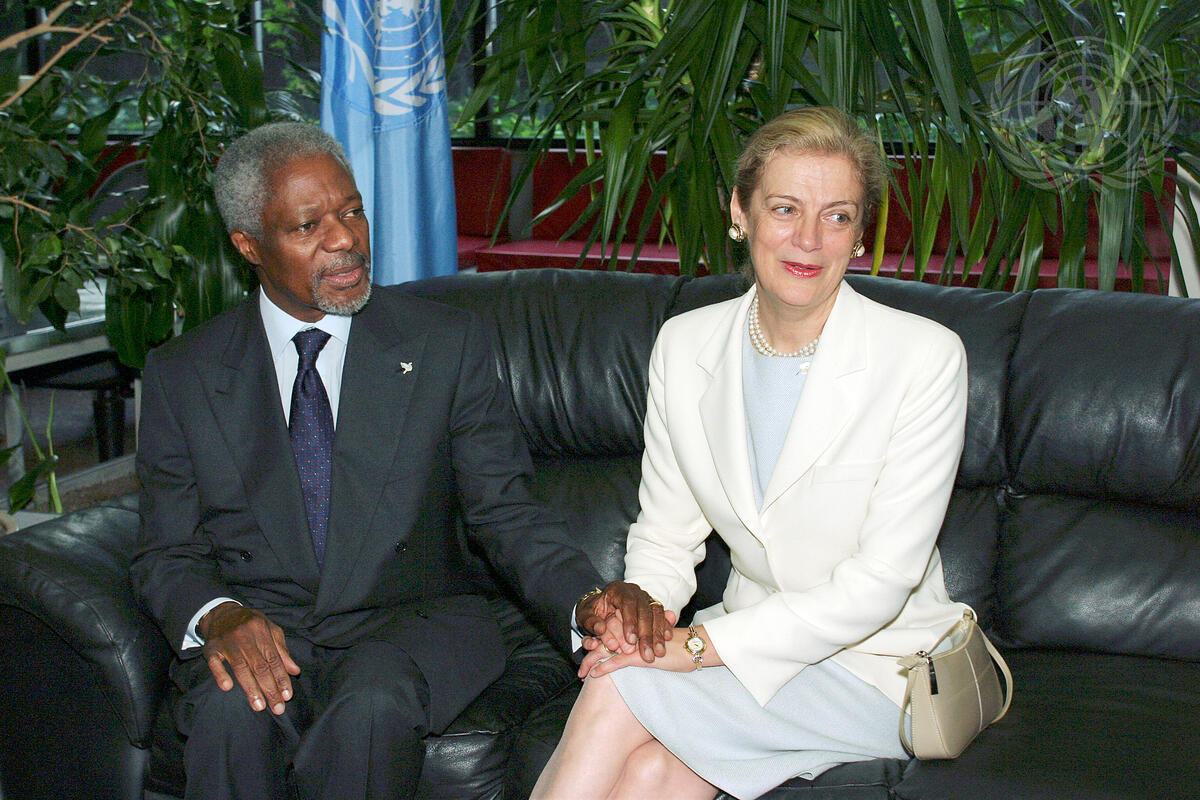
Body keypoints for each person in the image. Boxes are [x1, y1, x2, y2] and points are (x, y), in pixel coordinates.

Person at [131, 121, 669, 800]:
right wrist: (219, 615)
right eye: (308, 226)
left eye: (352, 211)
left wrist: (587, 599)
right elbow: (167, 551)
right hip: (264, 623)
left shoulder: (444, 343)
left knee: (373, 703)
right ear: (249, 245)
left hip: (413, 621)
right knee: (229, 711)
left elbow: (505, 511)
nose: (344, 239)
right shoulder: (184, 373)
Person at [531, 106, 970, 800]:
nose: (809, 240)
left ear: (860, 234)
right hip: (744, 641)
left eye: (837, 217)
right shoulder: (684, 345)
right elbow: (666, 535)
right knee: (651, 768)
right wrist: (641, 617)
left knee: (619, 688)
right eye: (785, 209)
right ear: (740, 212)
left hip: (880, 664)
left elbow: (881, 583)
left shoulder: (923, 358)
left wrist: (693, 648)